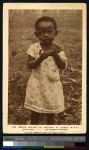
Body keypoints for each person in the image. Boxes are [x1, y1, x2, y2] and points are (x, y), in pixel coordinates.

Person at [24, 16, 67, 125]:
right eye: (41, 32)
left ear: (55, 33)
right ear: (36, 34)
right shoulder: (34, 47)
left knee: (51, 112)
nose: (46, 35)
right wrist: (40, 58)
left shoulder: (58, 48)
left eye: (49, 32)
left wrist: (55, 55)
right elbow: (30, 65)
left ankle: (49, 132)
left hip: (52, 85)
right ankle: (34, 131)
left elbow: (62, 65)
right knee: (35, 112)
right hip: (37, 85)